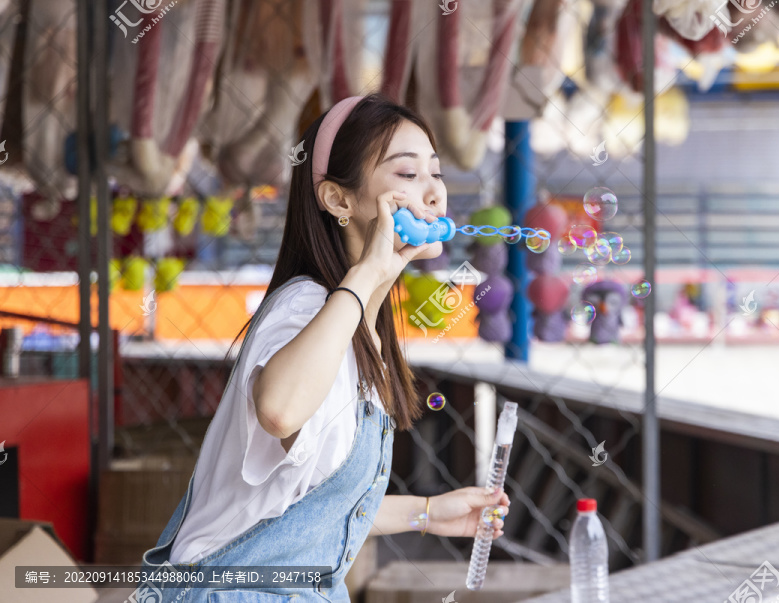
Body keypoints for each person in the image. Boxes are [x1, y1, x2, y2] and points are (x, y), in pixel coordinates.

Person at [138, 93, 511, 602]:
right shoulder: (307, 308)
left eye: (436, 173)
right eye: (407, 175)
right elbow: (279, 409)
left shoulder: (361, 324)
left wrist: (426, 511)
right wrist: (371, 273)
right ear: (338, 200)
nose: (433, 194)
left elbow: (309, 504)